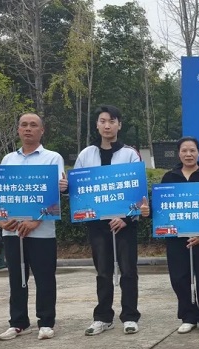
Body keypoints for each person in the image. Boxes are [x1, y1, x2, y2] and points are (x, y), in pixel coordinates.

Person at [0, 113, 67, 341]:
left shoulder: (52, 158)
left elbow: (55, 194)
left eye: (33, 125)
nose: (28, 128)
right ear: (18, 130)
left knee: (45, 278)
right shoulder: (8, 160)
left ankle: (46, 322)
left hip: (42, 231)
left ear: (42, 130)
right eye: (24, 125)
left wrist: (36, 221)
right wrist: (0, 220)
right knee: (16, 278)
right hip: (12, 230)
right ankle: (18, 323)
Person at [74, 105, 142, 336]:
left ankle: (130, 316)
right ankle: (103, 317)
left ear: (119, 125)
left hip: (124, 224)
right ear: (97, 125)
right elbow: (79, 189)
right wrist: (65, 188)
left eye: (112, 121)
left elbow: (137, 190)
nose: (107, 125)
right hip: (97, 225)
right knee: (103, 272)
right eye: (102, 121)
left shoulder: (130, 154)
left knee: (128, 272)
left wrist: (126, 218)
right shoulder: (86, 155)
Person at [140, 137, 199, 334]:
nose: (188, 154)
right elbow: (161, 210)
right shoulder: (169, 178)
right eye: (184, 151)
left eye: (192, 150)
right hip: (176, 239)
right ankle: (188, 316)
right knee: (179, 278)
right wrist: (148, 211)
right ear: (178, 153)